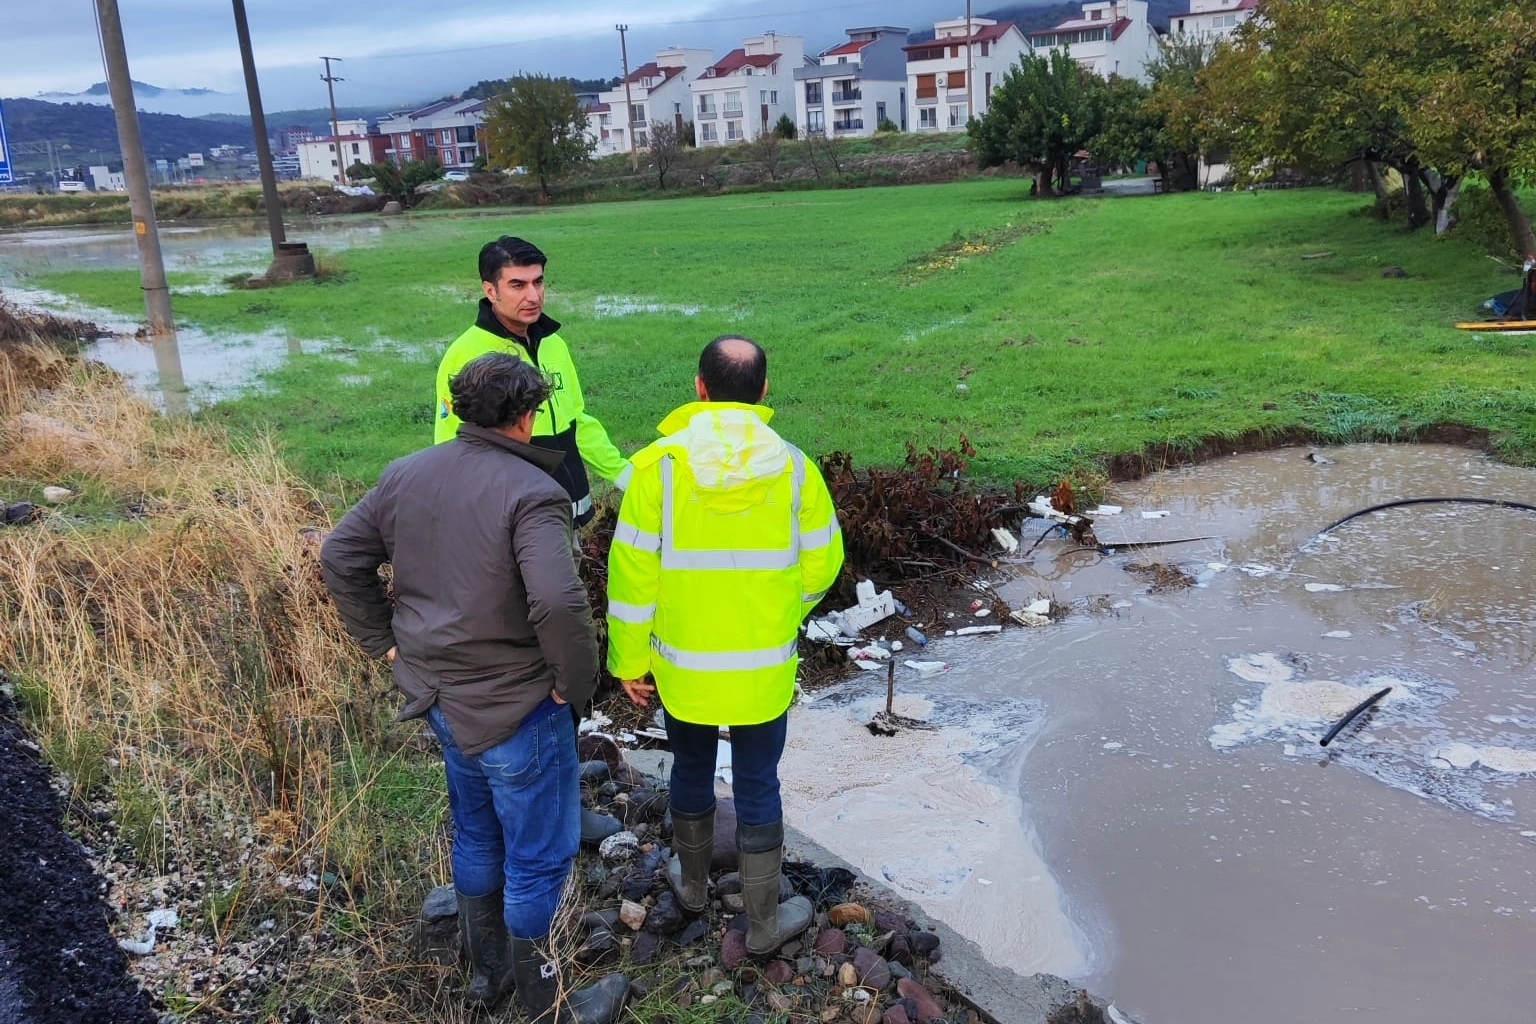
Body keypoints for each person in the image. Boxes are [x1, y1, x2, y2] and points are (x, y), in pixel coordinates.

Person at [323, 353, 627, 1022]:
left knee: (476, 832)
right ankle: (548, 1002)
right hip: (518, 705)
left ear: (462, 408)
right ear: (527, 415)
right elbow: (557, 601)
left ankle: (487, 975)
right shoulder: (533, 493)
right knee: (540, 855)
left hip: (437, 698)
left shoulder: (405, 474)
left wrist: (388, 643)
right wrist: (574, 686)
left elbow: (339, 555)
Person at [605, 336, 844, 958]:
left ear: (699, 386)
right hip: (763, 665)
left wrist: (629, 662)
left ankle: (689, 888)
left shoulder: (656, 468)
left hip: (682, 666)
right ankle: (764, 924)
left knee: (689, 768)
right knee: (759, 779)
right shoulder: (796, 468)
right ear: (765, 390)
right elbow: (824, 564)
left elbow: (632, 579)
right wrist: (782, 613)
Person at [434, 236, 626, 528]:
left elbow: (576, 421)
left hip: (566, 513)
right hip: (513, 521)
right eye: (517, 285)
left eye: (538, 282)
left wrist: (626, 476)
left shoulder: (554, 344)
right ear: (490, 290)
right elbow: (451, 446)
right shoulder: (465, 355)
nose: (534, 296)